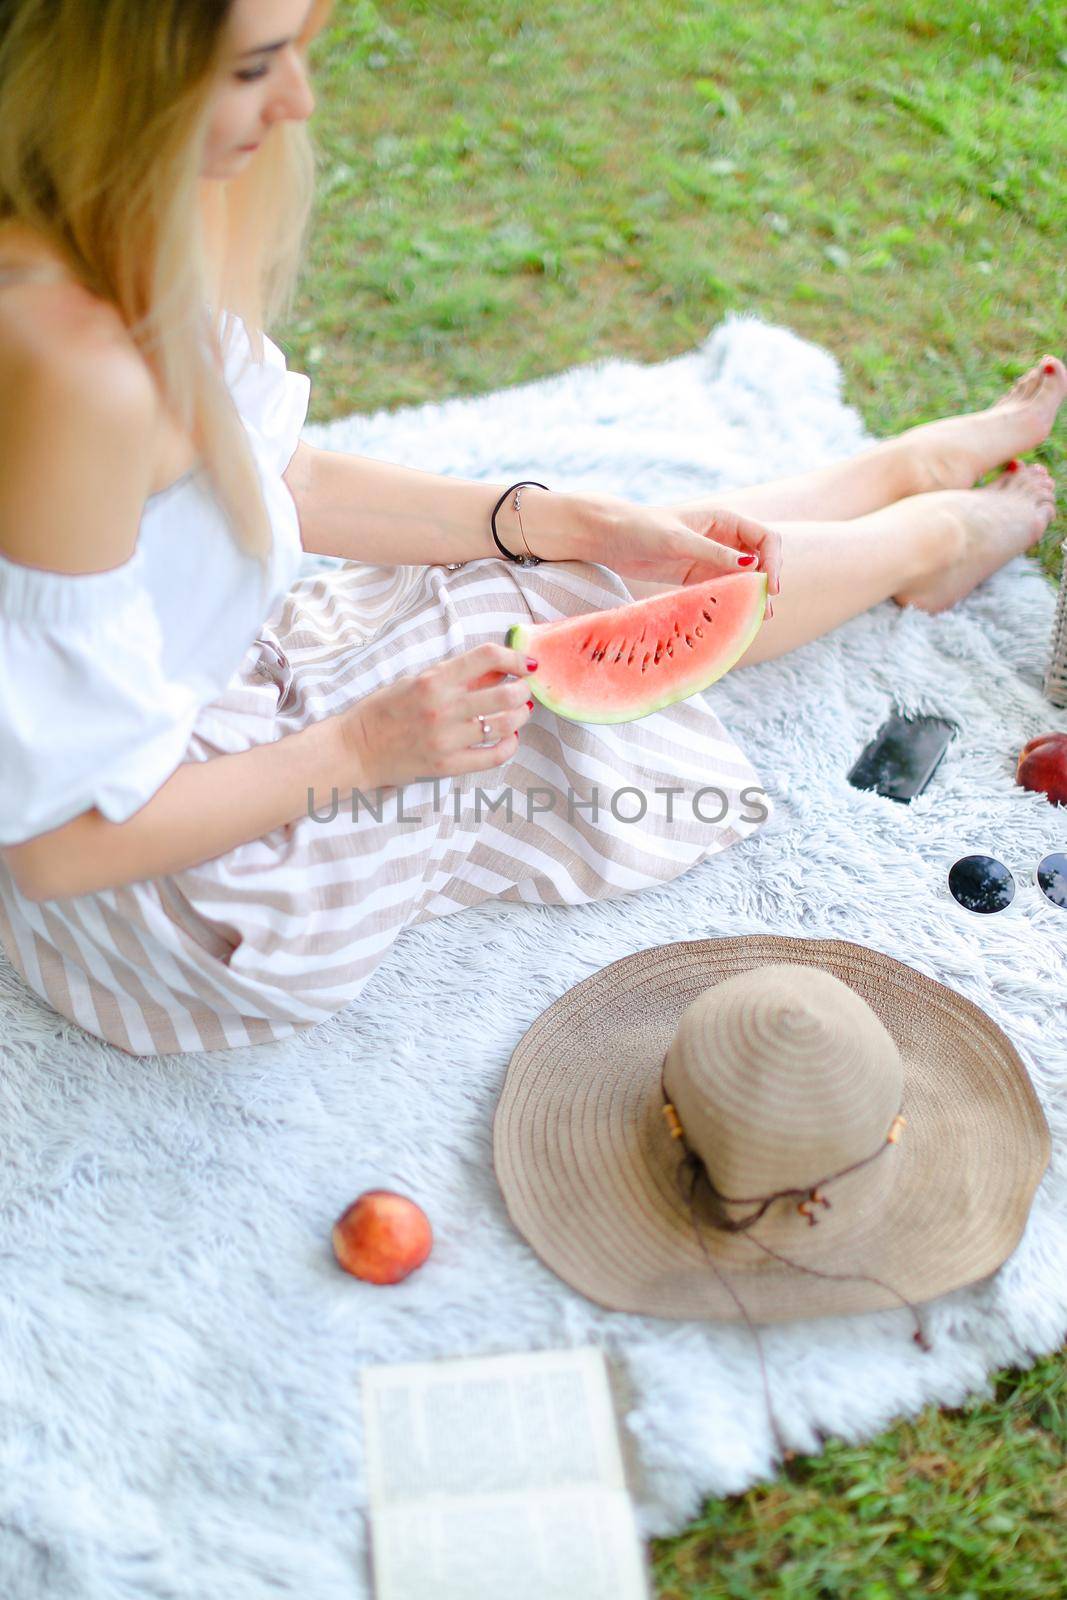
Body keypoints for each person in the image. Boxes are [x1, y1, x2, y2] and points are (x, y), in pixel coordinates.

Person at [0, 0, 1061, 1058]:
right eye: (256, 68)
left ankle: (889, 473)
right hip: (190, 901)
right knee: (541, 616)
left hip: (204, 733)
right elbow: (56, 846)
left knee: (544, 557)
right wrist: (367, 747)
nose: (299, 103)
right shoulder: (75, 374)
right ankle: (924, 540)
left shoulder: (73, 242)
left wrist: (546, 517)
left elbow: (285, 475)